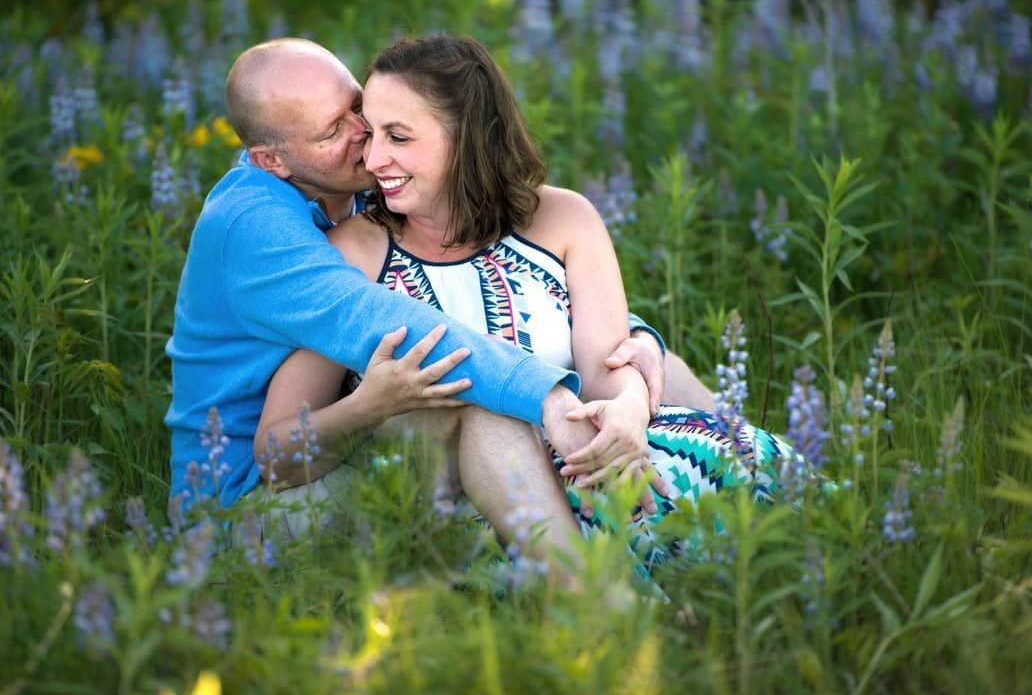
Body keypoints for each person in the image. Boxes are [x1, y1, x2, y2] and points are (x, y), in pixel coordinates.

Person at [258, 34, 804, 570]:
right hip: (472, 514)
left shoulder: (564, 219)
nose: (374, 159)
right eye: (370, 133)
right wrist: (369, 405)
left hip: (588, 465)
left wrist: (627, 415)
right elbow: (276, 454)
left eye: (399, 137)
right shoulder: (350, 254)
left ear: (467, 137)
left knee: (750, 472)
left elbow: (609, 368)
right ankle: (610, 603)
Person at [164, 38, 684, 577]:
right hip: (242, 508)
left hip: (345, 454)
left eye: (356, 109)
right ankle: (589, 594)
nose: (364, 140)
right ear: (271, 160)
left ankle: (754, 469)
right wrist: (549, 398)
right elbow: (383, 320)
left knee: (653, 366)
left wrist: (638, 338)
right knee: (477, 406)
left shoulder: (356, 184)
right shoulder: (255, 228)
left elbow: (543, 299)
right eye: (332, 131)